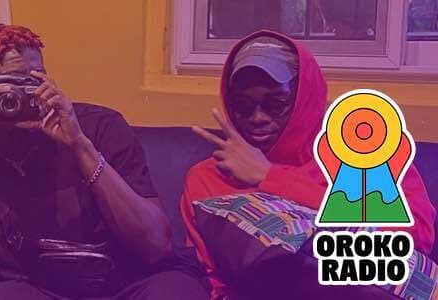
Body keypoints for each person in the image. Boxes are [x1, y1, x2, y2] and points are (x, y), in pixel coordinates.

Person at [0, 24, 208, 300]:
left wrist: (79, 144)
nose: (31, 94)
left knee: (177, 292)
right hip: (33, 288)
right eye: (14, 84)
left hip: (125, 279)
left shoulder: (99, 126)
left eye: (37, 79)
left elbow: (156, 245)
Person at [179, 30, 435, 299]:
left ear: (305, 98)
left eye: (275, 103)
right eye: (243, 105)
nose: (257, 117)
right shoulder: (206, 176)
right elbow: (211, 279)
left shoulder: (366, 154)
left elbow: (415, 241)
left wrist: (270, 177)